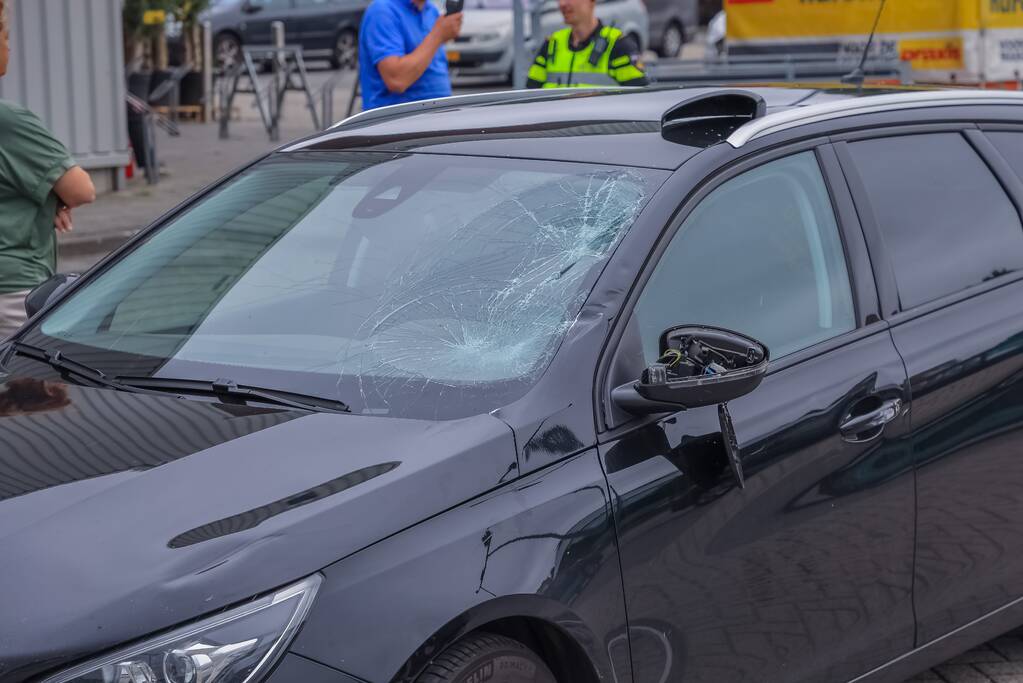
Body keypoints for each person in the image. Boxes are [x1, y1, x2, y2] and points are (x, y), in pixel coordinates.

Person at [0, 0, 95, 338]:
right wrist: (55, 197)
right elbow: (82, 189)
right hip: (12, 290)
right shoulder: (8, 120)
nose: (9, 47)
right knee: (27, 389)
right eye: (6, 36)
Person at [358, 0, 463, 111]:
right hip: (398, 121)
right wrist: (438, 35)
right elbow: (397, 80)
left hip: (436, 116)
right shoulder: (382, 11)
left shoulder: (430, 10)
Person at [526, 0, 648, 89]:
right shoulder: (552, 43)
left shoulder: (618, 44)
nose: (562, 4)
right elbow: (530, 96)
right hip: (555, 124)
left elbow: (637, 103)